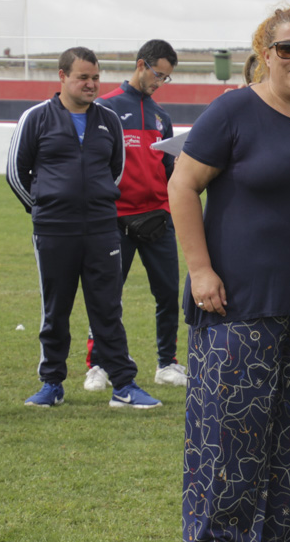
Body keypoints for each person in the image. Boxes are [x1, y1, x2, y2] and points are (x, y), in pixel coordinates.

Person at [169, 7, 290, 541]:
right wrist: (200, 270)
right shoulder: (232, 111)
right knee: (227, 453)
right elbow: (182, 187)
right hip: (237, 308)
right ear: (265, 53)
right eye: (288, 48)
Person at [6, 46, 161, 410]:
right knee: (56, 309)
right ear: (62, 77)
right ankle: (52, 383)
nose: (91, 84)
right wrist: (44, 208)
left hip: (102, 230)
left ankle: (123, 384)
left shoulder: (109, 121)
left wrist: (97, 205)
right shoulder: (36, 118)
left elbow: (116, 172)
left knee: (108, 308)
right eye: (83, 78)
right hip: (54, 230)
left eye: (95, 78)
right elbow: (16, 173)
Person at [81, 39, 186, 391]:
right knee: (107, 296)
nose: (160, 83)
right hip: (114, 220)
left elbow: (171, 170)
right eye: (158, 74)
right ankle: (99, 364)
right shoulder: (104, 109)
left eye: (166, 78)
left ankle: (167, 363)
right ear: (141, 65)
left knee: (169, 293)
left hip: (157, 218)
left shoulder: (161, 117)